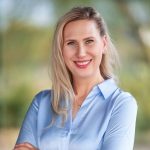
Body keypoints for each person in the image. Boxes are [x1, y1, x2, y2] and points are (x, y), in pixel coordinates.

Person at [14, 6, 138, 150]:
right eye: (71, 43)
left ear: (104, 44)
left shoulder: (121, 104)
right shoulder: (41, 103)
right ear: (61, 50)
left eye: (89, 41)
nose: (81, 53)